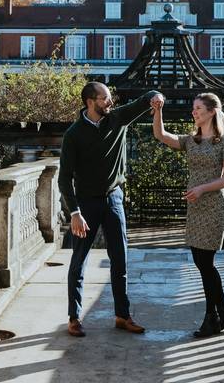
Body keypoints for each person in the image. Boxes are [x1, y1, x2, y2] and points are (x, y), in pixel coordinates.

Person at [59, 82, 163, 338]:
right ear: (90, 102)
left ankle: (122, 315)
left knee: (120, 259)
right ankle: (74, 317)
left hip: (114, 199)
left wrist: (156, 96)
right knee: (79, 260)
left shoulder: (117, 118)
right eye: (105, 99)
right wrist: (74, 213)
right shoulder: (73, 134)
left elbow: (145, 97)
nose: (110, 102)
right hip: (86, 204)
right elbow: (64, 179)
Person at [150, 92, 224, 337]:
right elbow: (161, 135)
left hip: (214, 207)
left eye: (198, 108)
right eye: (193, 108)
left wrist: (201, 188)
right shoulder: (192, 140)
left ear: (211, 111)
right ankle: (220, 310)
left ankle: (215, 314)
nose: (194, 112)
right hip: (196, 207)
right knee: (201, 263)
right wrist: (158, 111)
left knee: (206, 263)